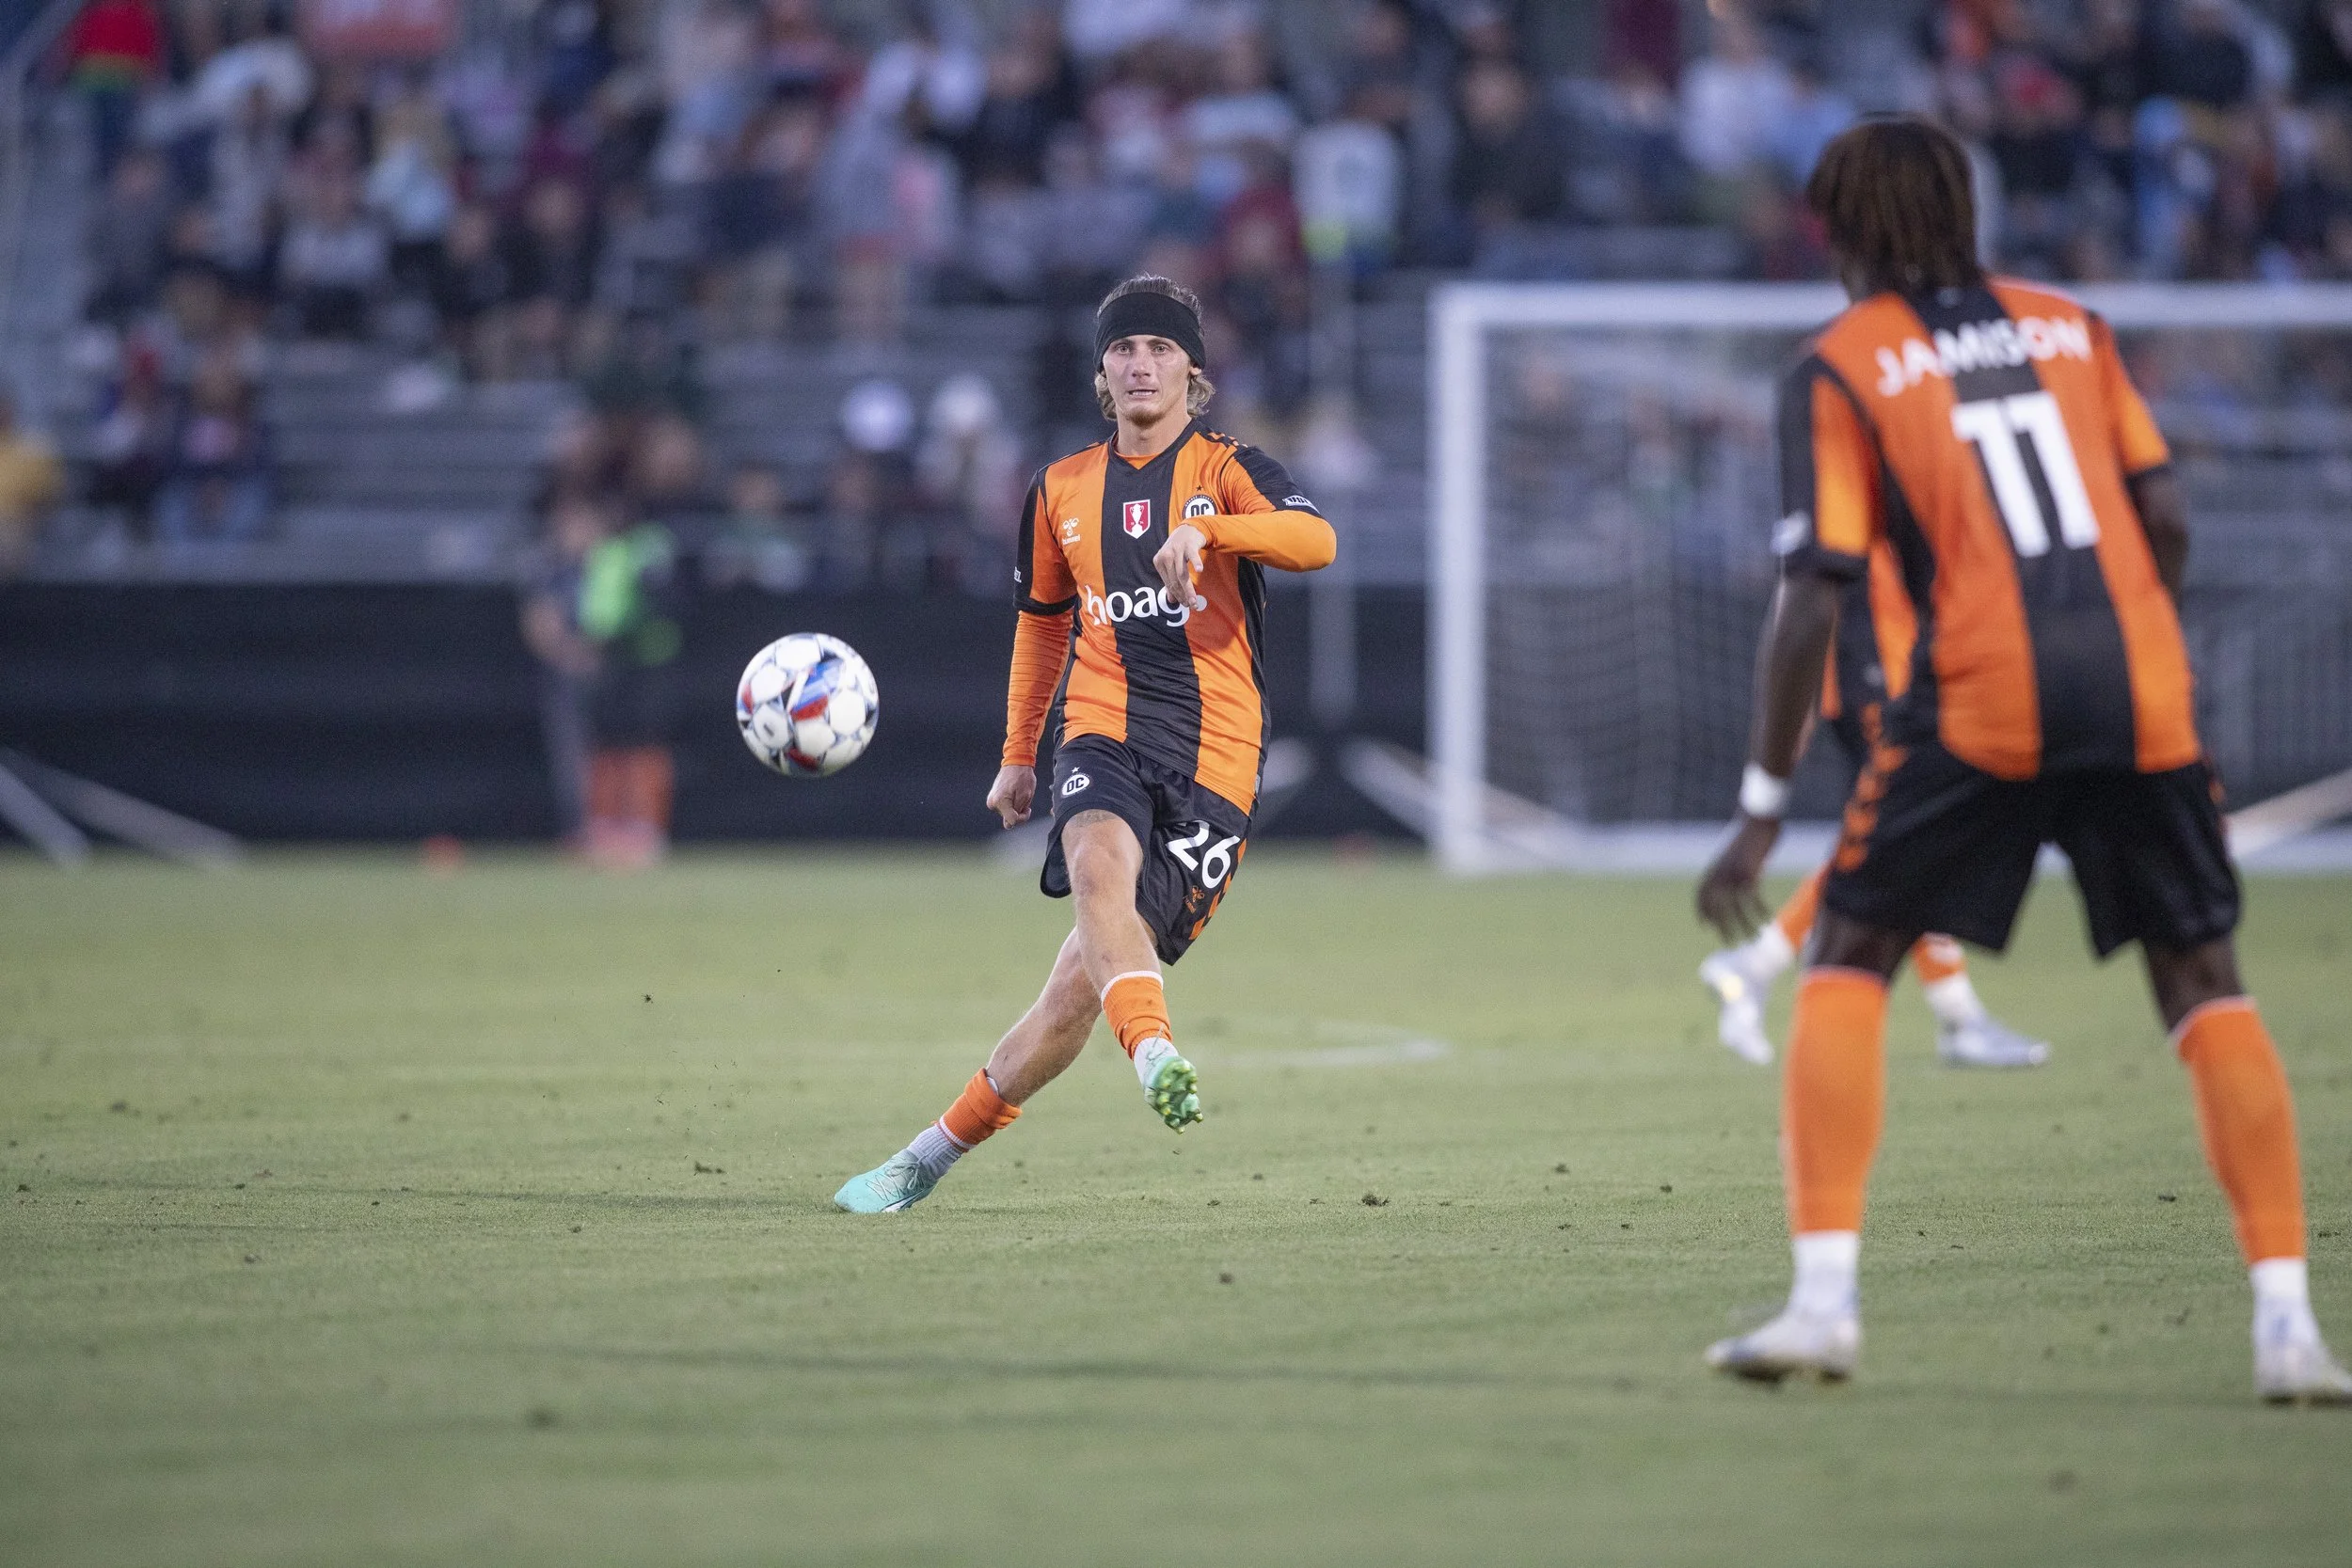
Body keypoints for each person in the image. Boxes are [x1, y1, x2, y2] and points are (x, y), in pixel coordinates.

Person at [1693, 116, 2350, 1402]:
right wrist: (2134, 637)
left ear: (1844, 232)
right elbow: (2164, 512)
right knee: (2203, 976)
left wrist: (1763, 804)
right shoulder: (2076, 326)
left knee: (1852, 951)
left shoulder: (1840, 364)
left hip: (1984, 693)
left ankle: (1823, 1304)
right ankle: (2290, 1327)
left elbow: (1815, 594)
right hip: (2144, 690)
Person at [833, 275, 1337, 1212]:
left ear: (1192, 368)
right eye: (1122, 349)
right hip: (1101, 722)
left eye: (1158, 348)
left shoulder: (1228, 468)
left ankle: (926, 1157)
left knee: (1076, 987)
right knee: (1098, 872)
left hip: (1216, 759)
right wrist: (1020, 752)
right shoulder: (1060, 487)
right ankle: (1154, 1053)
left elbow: (1317, 543)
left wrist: (1211, 531)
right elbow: (1040, 623)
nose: (1140, 363)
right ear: (1102, 371)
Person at [1697, 541, 2051, 1071]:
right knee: (1905, 840)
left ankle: (1755, 965)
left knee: (1907, 844)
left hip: (1900, 664)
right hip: (1879, 670)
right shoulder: (1861, 485)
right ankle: (1959, 1020)